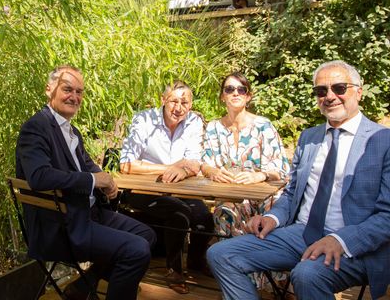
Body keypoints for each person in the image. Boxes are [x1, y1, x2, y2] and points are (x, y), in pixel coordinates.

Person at [207, 60, 390, 300]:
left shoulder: (382, 140)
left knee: (307, 274)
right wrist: (272, 217)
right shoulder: (310, 137)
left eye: (339, 88)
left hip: (353, 243)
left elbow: (387, 216)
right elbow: (292, 193)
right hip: (300, 234)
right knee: (220, 254)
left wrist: (340, 239)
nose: (330, 96)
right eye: (321, 91)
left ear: (359, 91)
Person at [16, 65, 156, 300]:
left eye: (79, 92)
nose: (74, 97)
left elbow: (87, 165)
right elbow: (39, 176)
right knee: (136, 250)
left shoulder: (72, 132)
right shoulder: (36, 127)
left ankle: (84, 286)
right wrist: (92, 180)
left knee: (147, 235)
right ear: (49, 89)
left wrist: (106, 179)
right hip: (61, 225)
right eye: (67, 89)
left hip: (86, 213)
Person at [120, 81, 215, 295]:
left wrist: (185, 169)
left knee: (204, 218)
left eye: (184, 102)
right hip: (142, 189)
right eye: (173, 101)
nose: (178, 107)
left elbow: (194, 161)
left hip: (181, 187)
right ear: (163, 100)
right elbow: (126, 164)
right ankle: (174, 270)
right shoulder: (143, 120)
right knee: (178, 214)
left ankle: (195, 260)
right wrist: (170, 168)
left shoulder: (193, 122)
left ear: (190, 105)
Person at [201, 72, 289, 236]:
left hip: (263, 195)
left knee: (274, 209)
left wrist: (260, 176)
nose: (235, 93)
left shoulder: (263, 126)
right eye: (229, 89)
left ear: (248, 97)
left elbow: (282, 170)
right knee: (224, 211)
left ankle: (268, 258)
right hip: (231, 195)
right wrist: (213, 171)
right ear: (222, 96)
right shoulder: (214, 127)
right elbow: (205, 164)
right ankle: (228, 258)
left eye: (241, 90)